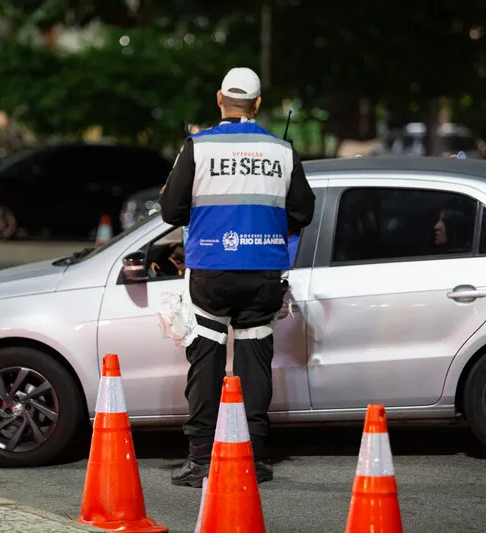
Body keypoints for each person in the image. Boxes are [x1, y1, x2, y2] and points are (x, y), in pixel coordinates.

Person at [159, 67, 315, 488]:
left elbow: (170, 211)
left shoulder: (198, 147)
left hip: (211, 271)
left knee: (206, 363)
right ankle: (255, 459)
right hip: (263, 272)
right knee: (254, 364)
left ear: (219, 99)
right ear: (258, 104)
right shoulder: (282, 150)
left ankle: (200, 460)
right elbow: (304, 212)